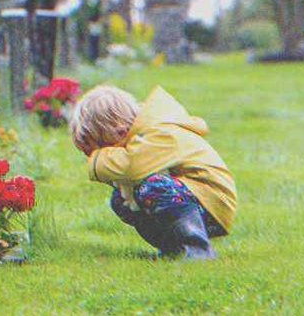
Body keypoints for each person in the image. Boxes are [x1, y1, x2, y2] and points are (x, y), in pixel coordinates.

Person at [69, 85, 237, 259]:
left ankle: (198, 249)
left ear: (119, 130)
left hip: (212, 203)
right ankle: (174, 249)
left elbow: (132, 168)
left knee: (154, 187)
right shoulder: (142, 135)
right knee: (120, 199)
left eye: (101, 147)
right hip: (192, 198)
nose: (99, 154)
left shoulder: (157, 133)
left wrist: (98, 161)